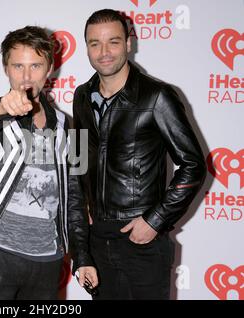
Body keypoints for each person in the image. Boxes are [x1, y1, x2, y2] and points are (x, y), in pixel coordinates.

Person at [0, 25, 98, 299]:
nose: (26, 76)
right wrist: (2, 109)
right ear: (5, 68)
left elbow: (76, 198)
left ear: (50, 69)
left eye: (35, 66)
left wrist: (83, 256)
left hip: (48, 259)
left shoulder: (70, 127)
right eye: (18, 66)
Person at [73, 9, 206, 300]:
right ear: (86, 47)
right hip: (97, 240)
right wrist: (83, 211)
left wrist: (155, 220)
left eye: (113, 42)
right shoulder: (82, 96)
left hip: (141, 239)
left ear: (129, 44)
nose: (104, 52)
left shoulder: (157, 96)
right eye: (94, 43)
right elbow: (79, 159)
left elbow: (193, 166)